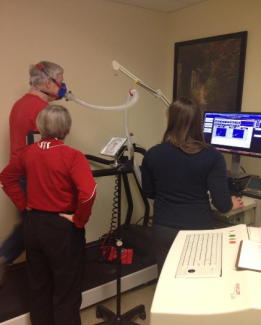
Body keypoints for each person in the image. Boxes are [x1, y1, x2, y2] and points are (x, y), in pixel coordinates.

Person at [0, 105, 97, 325]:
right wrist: (79, 219)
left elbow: (6, 178)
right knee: (67, 292)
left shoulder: (29, 152)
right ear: (68, 129)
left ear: (40, 127)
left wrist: (25, 207)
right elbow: (89, 191)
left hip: (33, 226)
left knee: (38, 288)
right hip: (61, 229)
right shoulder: (72, 156)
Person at [141, 97, 244, 275]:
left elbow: (149, 193)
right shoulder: (213, 156)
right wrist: (230, 203)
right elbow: (222, 204)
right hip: (197, 231)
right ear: (199, 122)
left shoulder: (152, 154)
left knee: (166, 280)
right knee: (196, 284)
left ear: (170, 120)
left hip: (163, 230)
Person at [0, 61, 67, 285]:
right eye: (61, 80)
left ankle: (5, 257)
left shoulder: (19, 104)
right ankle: (5, 258)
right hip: (34, 177)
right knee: (38, 227)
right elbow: (45, 152)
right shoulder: (42, 109)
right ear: (48, 81)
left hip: (20, 175)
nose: (63, 86)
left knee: (29, 225)